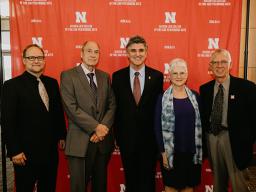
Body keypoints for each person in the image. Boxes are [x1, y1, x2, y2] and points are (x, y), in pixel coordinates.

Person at [1, 44, 66, 192]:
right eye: (31, 57)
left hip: (49, 152)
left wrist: (62, 135)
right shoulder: (11, 86)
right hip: (24, 154)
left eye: (40, 57)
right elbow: (7, 121)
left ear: (44, 60)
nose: (36, 61)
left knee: (48, 187)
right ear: (24, 60)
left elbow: (57, 112)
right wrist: (14, 150)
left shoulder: (52, 83)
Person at [60, 41, 116, 192]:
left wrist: (102, 129)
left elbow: (112, 105)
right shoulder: (68, 75)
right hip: (80, 141)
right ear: (81, 53)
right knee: (78, 187)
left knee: (100, 186)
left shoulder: (104, 76)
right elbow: (71, 108)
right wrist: (96, 127)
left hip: (102, 143)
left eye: (96, 52)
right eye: (89, 51)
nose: (93, 55)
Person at [200, 48, 256, 192]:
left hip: (236, 141)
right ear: (210, 66)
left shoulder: (247, 88)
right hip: (212, 139)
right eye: (215, 62)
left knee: (240, 185)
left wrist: (248, 140)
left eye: (223, 62)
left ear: (230, 65)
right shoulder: (205, 89)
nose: (219, 65)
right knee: (218, 184)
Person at [112, 35, 163, 192]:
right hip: (126, 138)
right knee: (131, 180)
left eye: (141, 50)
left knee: (148, 181)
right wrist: (116, 135)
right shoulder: (117, 76)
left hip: (150, 139)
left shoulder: (157, 76)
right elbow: (115, 108)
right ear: (127, 53)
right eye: (133, 50)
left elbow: (158, 110)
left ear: (146, 53)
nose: (137, 54)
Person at [155, 58, 202, 192]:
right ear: (169, 75)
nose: (179, 76)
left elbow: (201, 124)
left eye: (182, 73)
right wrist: (163, 153)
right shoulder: (162, 98)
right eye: (175, 73)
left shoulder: (195, 96)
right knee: (170, 187)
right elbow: (157, 127)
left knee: (189, 187)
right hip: (171, 153)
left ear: (187, 75)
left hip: (192, 153)